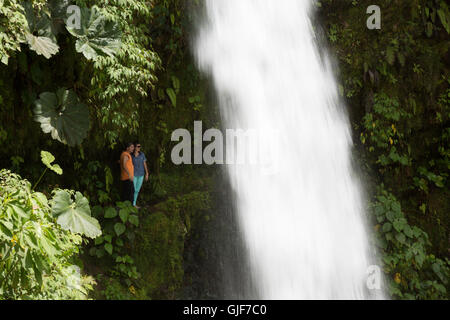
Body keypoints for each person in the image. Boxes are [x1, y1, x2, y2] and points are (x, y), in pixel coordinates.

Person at [131, 142, 149, 208]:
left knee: (137, 190)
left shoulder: (142, 154)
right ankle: (131, 203)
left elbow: (144, 164)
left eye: (140, 146)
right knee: (133, 189)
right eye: (138, 146)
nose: (139, 148)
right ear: (135, 147)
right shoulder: (131, 155)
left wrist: (147, 173)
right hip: (134, 175)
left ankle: (134, 203)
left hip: (141, 174)